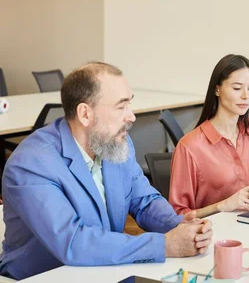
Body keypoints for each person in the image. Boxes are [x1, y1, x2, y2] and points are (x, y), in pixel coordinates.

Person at [0, 63, 213, 280]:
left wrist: (179, 225)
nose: (131, 116)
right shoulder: (31, 164)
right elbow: (73, 242)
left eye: (130, 104)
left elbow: (145, 202)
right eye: (121, 107)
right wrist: (165, 245)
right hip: (44, 277)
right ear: (85, 114)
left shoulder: (115, 143)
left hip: (108, 270)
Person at [169, 55, 249, 217]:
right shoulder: (189, 146)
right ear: (217, 89)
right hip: (212, 236)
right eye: (237, 88)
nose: (246, 96)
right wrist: (222, 206)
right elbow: (178, 216)